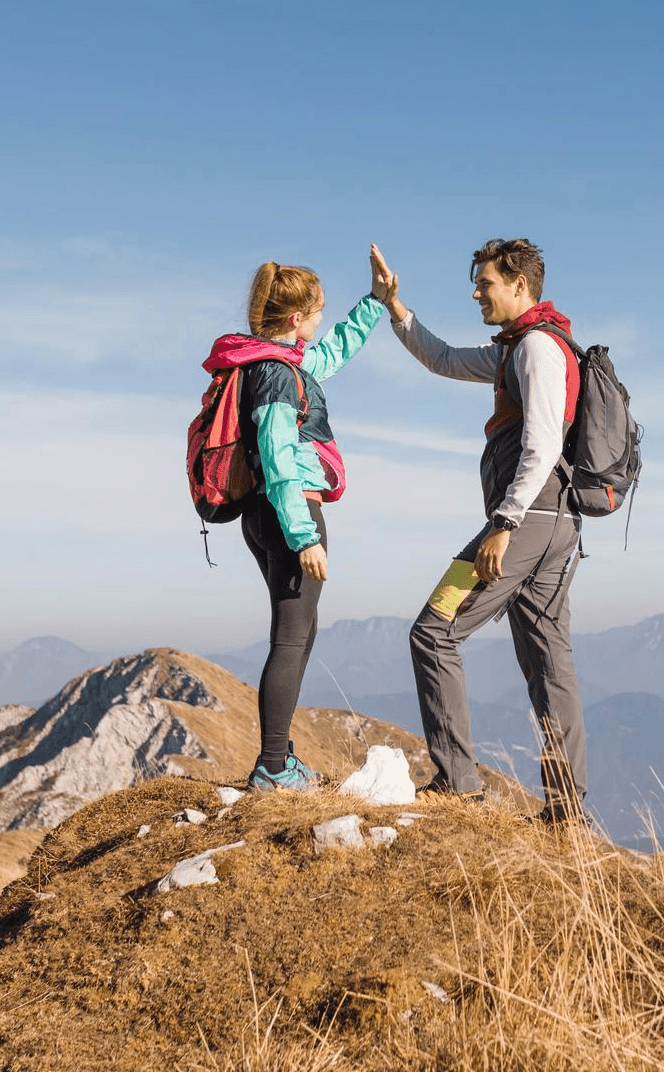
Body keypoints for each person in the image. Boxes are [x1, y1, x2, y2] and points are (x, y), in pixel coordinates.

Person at [371, 239, 588, 823]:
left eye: (485, 283)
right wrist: (395, 308)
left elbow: (542, 443)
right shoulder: (516, 349)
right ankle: (567, 815)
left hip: (527, 521)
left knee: (432, 630)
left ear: (519, 284)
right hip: (554, 524)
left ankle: (459, 783)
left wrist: (503, 524)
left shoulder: (537, 350)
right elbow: (442, 358)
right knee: (549, 663)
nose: (475, 292)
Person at [202, 250, 393, 791]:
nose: (320, 322)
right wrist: (304, 535)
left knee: (299, 632)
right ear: (295, 320)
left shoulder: (273, 364)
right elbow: (280, 455)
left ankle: (280, 759)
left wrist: (374, 303)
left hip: (267, 514)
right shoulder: (276, 377)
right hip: (290, 512)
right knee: (290, 637)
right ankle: (272, 766)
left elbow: (331, 352)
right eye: (318, 312)